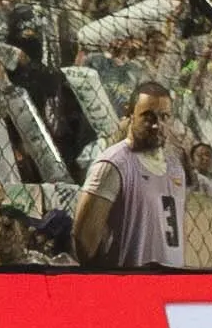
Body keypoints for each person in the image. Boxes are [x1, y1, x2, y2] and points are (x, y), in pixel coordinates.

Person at [72, 84, 187, 271]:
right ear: (130, 114)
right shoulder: (113, 164)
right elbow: (84, 241)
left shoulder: (175, 167)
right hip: (129, 283)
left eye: (164, 117)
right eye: (148, 117)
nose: (157, 125)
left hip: (169, 282)